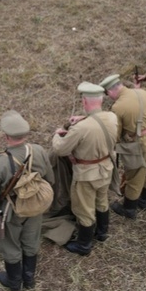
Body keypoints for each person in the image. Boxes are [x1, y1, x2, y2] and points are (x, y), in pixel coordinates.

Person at [0, 110, 54, 291]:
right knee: (31, 239)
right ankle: (29, 279)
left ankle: (14, 282)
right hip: (35, 205)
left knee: (10, 243)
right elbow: (50, 178)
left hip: (10, 211)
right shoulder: (38, 150)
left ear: (6, 136)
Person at [50, 82, 118, 255]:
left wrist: (57, 135)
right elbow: (97, 123)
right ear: (101, 100)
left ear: (85, 103)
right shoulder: (111, 117)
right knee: (102, 201)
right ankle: (102, 233)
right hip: (106, 168)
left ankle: (84, 245)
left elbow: (60, 149)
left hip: (87, 175)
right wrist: (85, 119)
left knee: (84, 209)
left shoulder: (81, 128)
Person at [100, 74, 146, 218]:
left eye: (107, 93)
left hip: (143, 145)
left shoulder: (118, 107)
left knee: (135, 178)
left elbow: (115, 134)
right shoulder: (143, 92)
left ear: (110, 91)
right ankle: (144, 201)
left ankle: (129, 209)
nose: (108, 96)